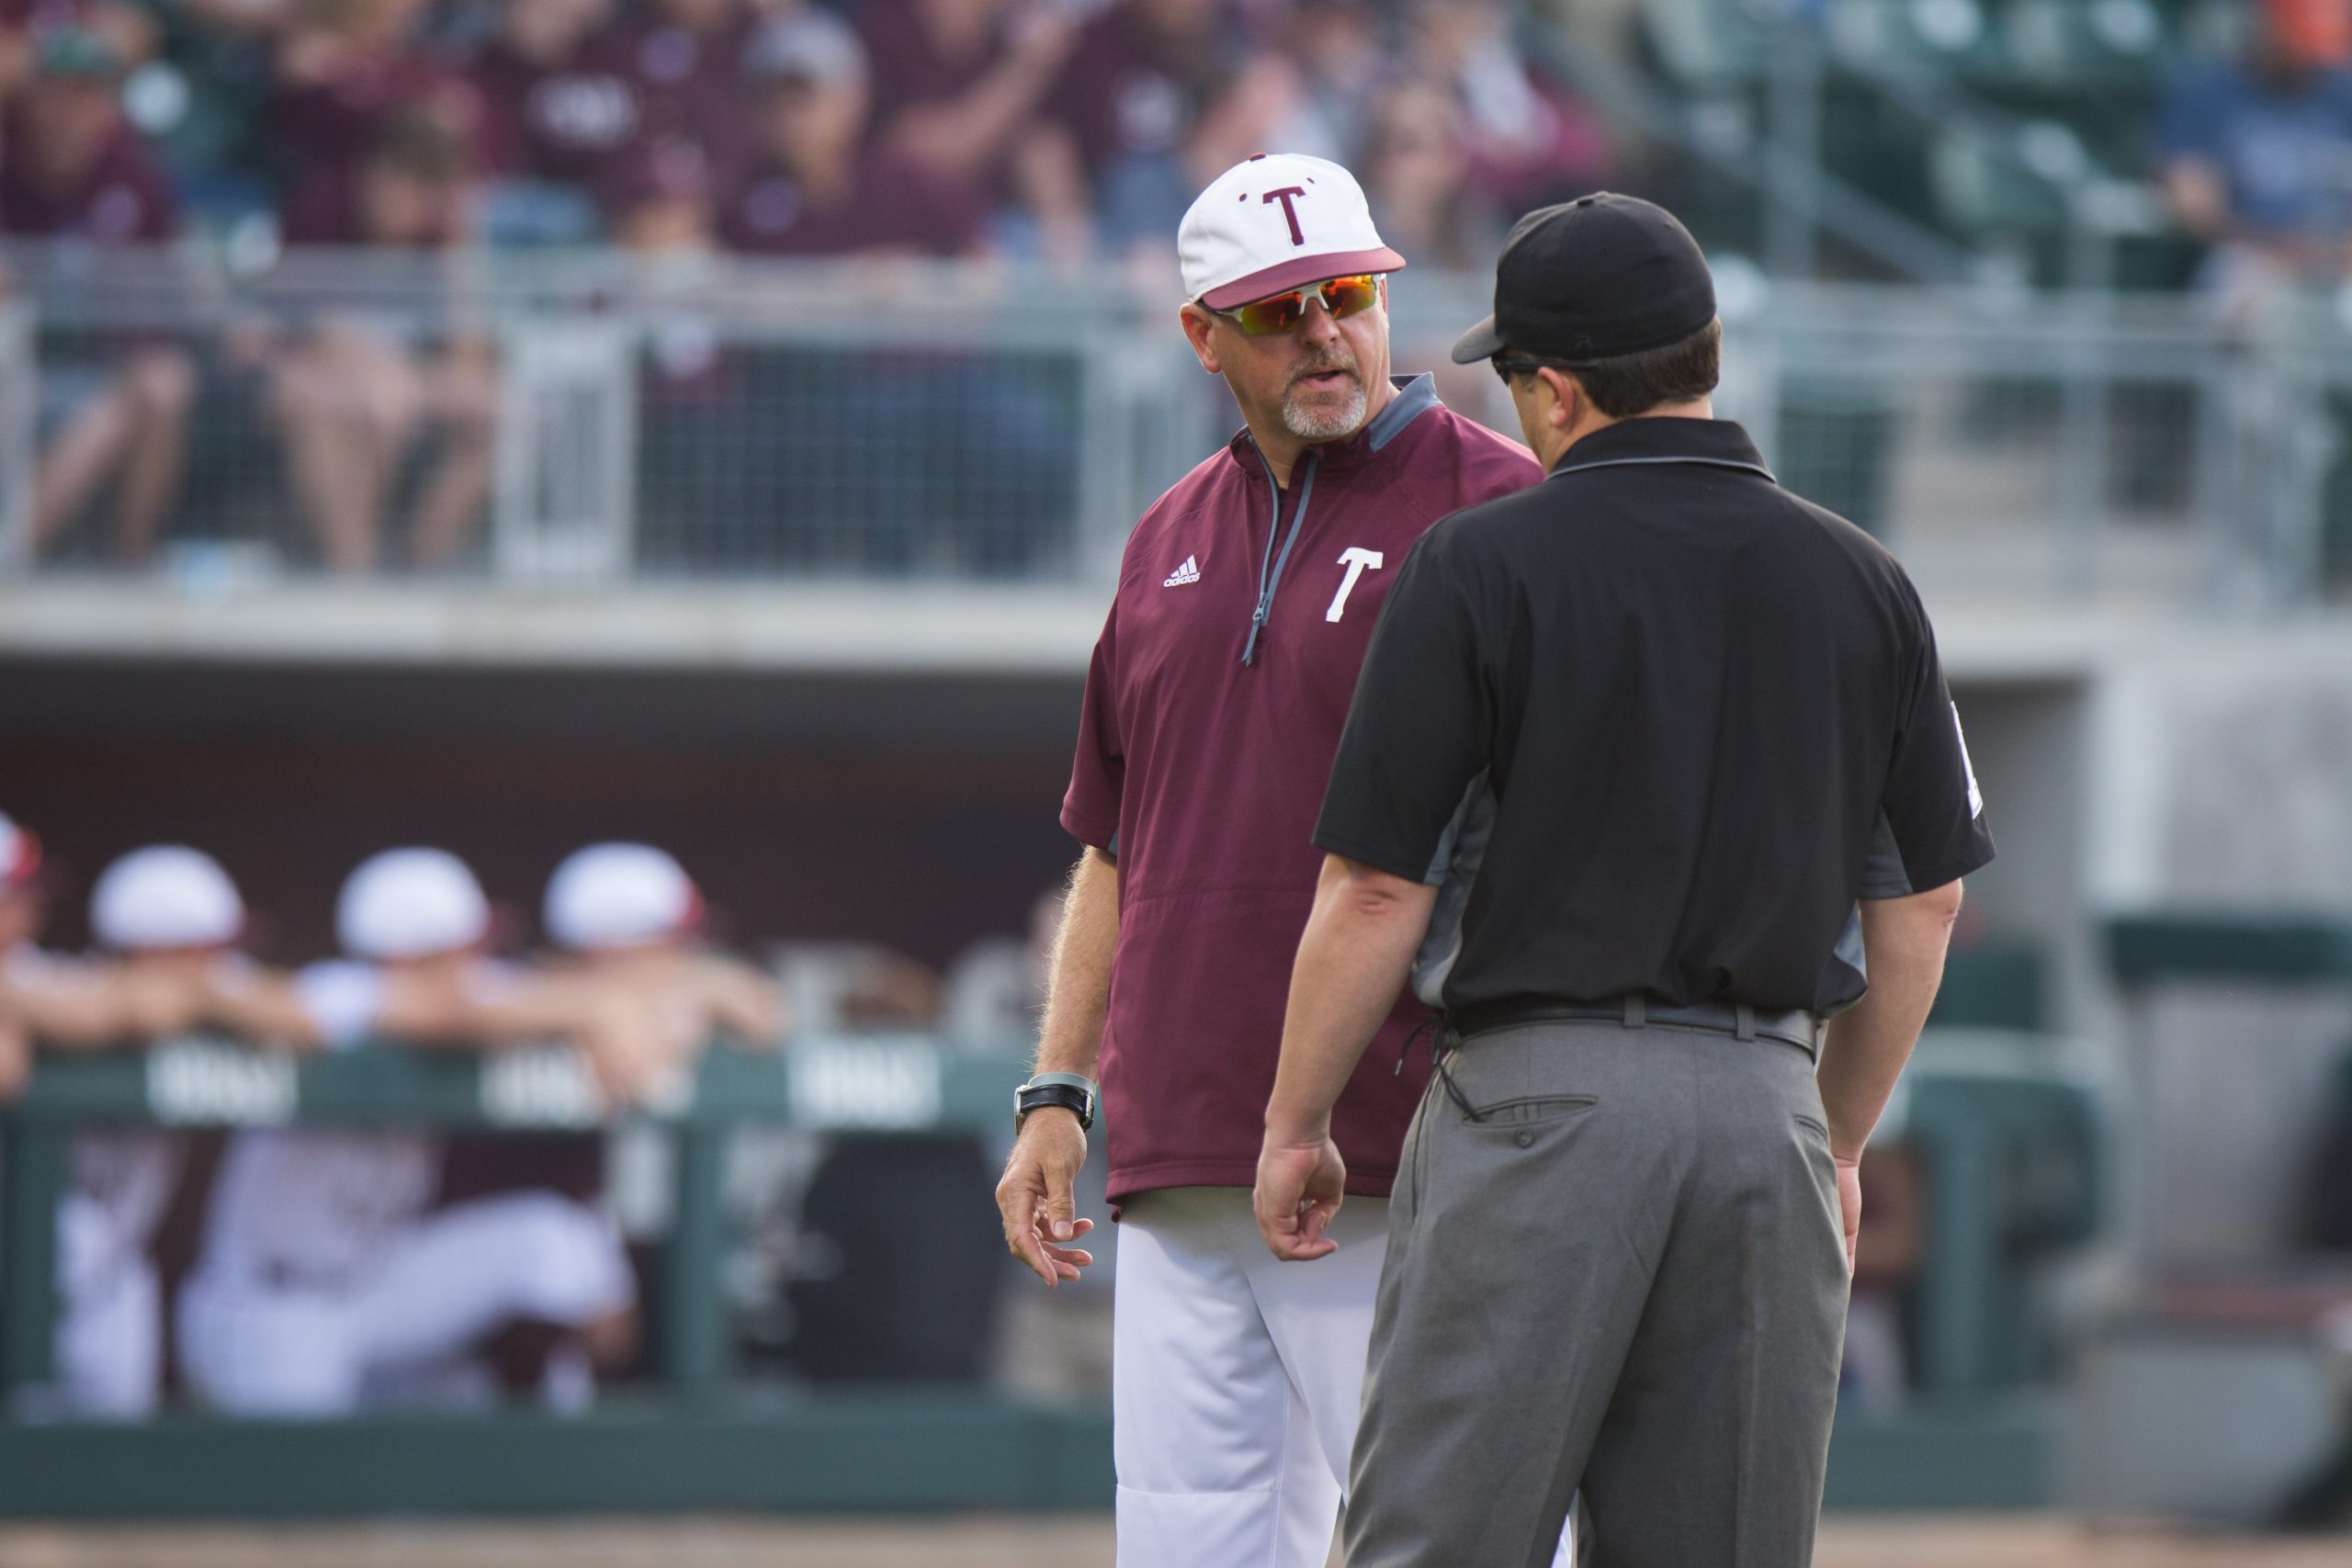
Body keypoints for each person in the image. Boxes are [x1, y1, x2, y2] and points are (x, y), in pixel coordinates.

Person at [1251, 193, 1996, 1565]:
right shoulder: (1867, 579)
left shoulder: (1477, 562)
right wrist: (1829, 1133)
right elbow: (1925, 905)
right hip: (1765, 1110)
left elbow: (1373, 892)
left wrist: (1298, 1116)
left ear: (1555, 389)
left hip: (1542, 1106)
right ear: (1706, 352)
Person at [992, 153, 1555, 1568]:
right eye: (1278, 309)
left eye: (1349, 294)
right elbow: (1116, 844)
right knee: (1189, 1546)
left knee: (1448, 1539)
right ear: (1202, 335)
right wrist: (1058, 1085)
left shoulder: (1501, 506)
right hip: (1179, 1145)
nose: (1324, 332)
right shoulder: (1164, 534)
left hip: (1396, 1143)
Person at [177, 847, 648, 1416]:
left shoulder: (473, 993)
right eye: (463, 948)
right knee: (307, 1502)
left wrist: (607, 1012)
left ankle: (563, 1477)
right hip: (272, 1303)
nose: (480, 961)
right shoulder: (342, 990)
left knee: (549, 1237)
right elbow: (446, 1013)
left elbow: (573, 990)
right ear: (408, 956)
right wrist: (588, 1011)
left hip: (377, 1284)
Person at [2, 23, 198, 566]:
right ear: (32, 98)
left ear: (107, 105)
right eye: (58, 92)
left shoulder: (137, 180)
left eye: (87, 94)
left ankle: (118, 562)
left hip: (99, 368)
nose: (70, 111)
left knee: (159, 387)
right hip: (13, 363)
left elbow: (167, 301)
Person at [2157, 0, 2352, 309]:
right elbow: (2193, 204)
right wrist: (2276, 244)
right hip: (2248, 253)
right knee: (2241, 291)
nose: (2312, 64)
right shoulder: (2208, 93)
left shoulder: (2344, 92)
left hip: (2337, 255)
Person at [539, 840, 786, 1049]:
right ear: (609, 951)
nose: (688, 955)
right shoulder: (530, 996)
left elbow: (763, 1014)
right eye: (673, 942)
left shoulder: (699, 982)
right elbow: (515, 999)